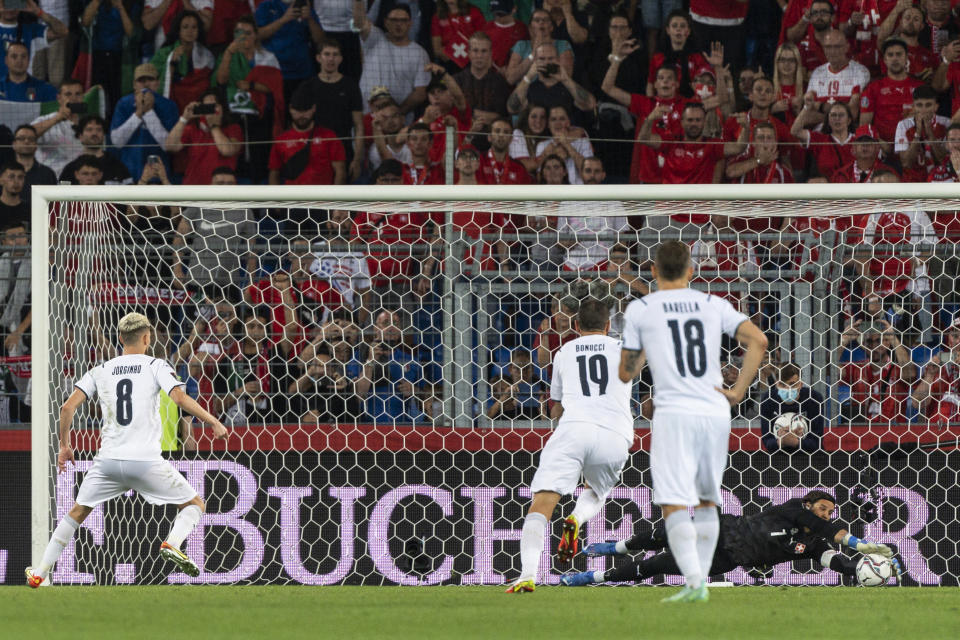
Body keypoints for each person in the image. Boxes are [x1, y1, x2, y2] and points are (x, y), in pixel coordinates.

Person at [25, 312, 228, 588]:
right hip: (145, 461)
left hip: (108, 462)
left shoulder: (101, 369)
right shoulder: (156, 365)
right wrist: (213, 421)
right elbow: (179, 397)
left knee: (77, 512)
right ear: (147, 338)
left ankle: (40, 572)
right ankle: (173, 543)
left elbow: (67, 407)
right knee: (194, 504)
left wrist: (64, 445)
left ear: (120, 338)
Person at [618, 240, 768, 602]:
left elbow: (627, 372)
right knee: (706, 499)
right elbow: (759, 341)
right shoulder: (713, 304)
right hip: (715, 409)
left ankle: (694, 581)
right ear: (691, 271)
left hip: (674, 410)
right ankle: (699, 576)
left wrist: (638, 356)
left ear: (652, 272)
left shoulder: (641, 309)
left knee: (672, 501)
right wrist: (736, 392)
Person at [504, 298, 634, 594]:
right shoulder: (623, 348)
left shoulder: (564, 351)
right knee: (596, 490)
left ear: (575, 326)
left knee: (542, 503)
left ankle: (527, 575)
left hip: (574, 429)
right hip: (615, 433)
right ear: (607, 326)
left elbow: (557, 405)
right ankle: (577, 517)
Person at [560, 490, 900, 587]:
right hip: (726, 528)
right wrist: (858, 543)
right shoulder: (794, 509)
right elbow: (828, 530)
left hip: (728, 558)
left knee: (656, 566)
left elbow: (831, 558)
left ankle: (593, 577)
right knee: (666, 533)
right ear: (810, 505)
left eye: (831, 512)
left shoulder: (815, 543)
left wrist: (854, 567)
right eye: (823, 509)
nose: (827, 516)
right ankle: (612, 547)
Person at [297, 38, 364, 180]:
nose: (331, 59)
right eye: (327, 54)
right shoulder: (307, 86)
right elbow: (298, 122)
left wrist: (357, 160)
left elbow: (359, 126)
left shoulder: (350, 86)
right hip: (315, 150)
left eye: (335, 54)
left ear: (340, 59)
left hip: (343, 149)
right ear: (318, 58)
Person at [354, 1, 430, 116]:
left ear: (410, 23)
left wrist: (396, 114)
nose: (398, 24)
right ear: (386, 22)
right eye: (394, 20)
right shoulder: (374, 38)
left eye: (403, 20)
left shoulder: (420, 53)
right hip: (367, 116)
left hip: (401, 122)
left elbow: (420, 93)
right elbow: (359, 23)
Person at [109, 63, 179, 181]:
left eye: (150, 80)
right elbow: (117, 141)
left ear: (157, 83)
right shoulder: (123, 104)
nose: (146, 84)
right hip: (128, 174)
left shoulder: (168, 106)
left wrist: (149, 112)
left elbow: (168, 145)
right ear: (134, 85)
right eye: (141, 81)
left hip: (158, 176)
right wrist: (139, 113)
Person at [556, 157, 629, 272]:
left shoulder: (614, 201)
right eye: (588, 171)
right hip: (573, 264)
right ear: (581, 173)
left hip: (603, 262)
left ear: (603, 175)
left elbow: (622, 237)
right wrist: (573, 241)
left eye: (597, 171)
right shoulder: (568, 201)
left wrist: (618, 257)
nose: (592, 175)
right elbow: (560, 241)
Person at [267, 90, 346, 186]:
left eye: (305, 110)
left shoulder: (329, 136)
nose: (301, 115)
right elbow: (274, 174)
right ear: (290, 109)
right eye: (297, 110)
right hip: (293, 199)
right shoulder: (280, 141)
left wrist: (334, 198)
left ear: (313, 108)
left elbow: (340, 171)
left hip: (323, 199)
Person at [164, 90, 242, 185]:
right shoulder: (192, 129)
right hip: (194, 186)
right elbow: (170, 146)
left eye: (213, 106)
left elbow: (227, 150)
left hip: (221, 187)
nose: (210, 110)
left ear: (222, 107)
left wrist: (214, 126)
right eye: (206, 107)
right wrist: (184, 119)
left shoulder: (233, 128)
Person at [859, 38, 922, 151]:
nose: (895, 59)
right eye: (890, 55)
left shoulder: (920, 87)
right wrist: (879, 142)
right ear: (884, 60)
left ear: (907, 57)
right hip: (883, 149)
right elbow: (864, 126)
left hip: (914, 148)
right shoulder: (873, 88)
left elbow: (928, 120)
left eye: (899, 54)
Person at [254, 0, 324, 101]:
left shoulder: (304, 5)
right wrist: (284, 19)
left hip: (302, 71)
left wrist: (310, 19)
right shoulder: (266, 5)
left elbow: (320, 40)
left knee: (303, 111)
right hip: (274, 72)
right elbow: (257, 36)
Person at [506, 42, 596, 120]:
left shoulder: (569, 85)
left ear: (558, 60)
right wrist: (528, 77)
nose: (546, 63)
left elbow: (590, 104)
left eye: (550, 58)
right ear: (535, 61)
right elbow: (512, 109)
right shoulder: (529, 87)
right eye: (542, 59)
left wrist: (566, 79)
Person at [149, 10, 216, 113]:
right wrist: (171, 62)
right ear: (178, 30)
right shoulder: (164, 53)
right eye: (185, 27)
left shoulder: (207, 55)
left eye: (194, 27)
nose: (190, 31)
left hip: (198, 103)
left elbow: (210, 82)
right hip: (174, 103)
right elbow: (152, 78)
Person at [759, 362, 825, 452]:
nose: (787, 389)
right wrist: (781, 441)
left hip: (809, 456)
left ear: (800, 384)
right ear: (776, 384)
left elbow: (817, 442)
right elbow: (767, 441)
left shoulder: (814, 399)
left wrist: (796, 442)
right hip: (778, 456)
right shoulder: (768, 399)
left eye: (792, 384)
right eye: (782, 384)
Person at [806, 29, 871, 122]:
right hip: (818, 132)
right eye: (828, 47)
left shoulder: (860, 72)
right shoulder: (817, 73)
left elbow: (852, 114)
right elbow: (807, 114)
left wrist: (821, 106)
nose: (832, 51)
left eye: (837, 47)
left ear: (847, 47)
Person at [895, 85, 951, 183]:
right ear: (914, 106)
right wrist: (918, 133)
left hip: (941, 181)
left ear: (936, 107)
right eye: (919, 105)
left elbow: (944, 161)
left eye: (928, 105)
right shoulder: (903, 125)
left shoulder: (946, 123)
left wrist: (929, 132)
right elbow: (906, 163)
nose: (924, 110)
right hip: (913, 183)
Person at [29, 79, 85, 176]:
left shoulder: (89, 125)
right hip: (51, 179)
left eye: (78, 94)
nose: (73, 98)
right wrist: (58, 118)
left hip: (79, 181)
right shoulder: (45, 120)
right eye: (68, 94)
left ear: (83, 97)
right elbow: (28, 136)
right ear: (59, 98)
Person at [0, 0, 67, 79]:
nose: (9, 8)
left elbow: (62, 31)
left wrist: (38, 12)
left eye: (13, 3)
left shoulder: (30, 30)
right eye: (5, 3)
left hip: (23, 86)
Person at [454, 31, 511, 124]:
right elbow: (453, 114)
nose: (479, 56)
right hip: (461, 133)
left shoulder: (500, 82)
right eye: (475, 51)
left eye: (484, 51)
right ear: (469, 53)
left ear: (490, 53)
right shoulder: (457, 80)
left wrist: (470, 113)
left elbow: (501, 117)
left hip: (491, 135)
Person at [59, 115, 132, 185]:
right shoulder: (70, 169)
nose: (94, 133)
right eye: (89, 129)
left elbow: (131, 194)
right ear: (80, 136)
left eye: (99, 130)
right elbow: (60, 194)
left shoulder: (117, 167)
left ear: (104, 135)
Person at [431, 0, 485, 72]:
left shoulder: (474, 12)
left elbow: (484, 40)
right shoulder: (437, 17)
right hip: (449, 62)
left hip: (473, 60)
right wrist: (453, 56)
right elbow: (437, 49)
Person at [11, 124, 55, 207]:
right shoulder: (4, 172)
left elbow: (53, 204)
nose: (26, 141)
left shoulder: (47, 173)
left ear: (36, 144)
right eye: (21, 138)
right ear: (14, 144)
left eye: (31, 139)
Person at [482, 0, 528, 70]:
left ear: (514, 9)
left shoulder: (522, 29)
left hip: (514, 72)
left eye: (502, 14)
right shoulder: (486, 28)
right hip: (490, 73)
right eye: (496, 13)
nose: (498, 17)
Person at [0, 161, 28, 227]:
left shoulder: (31, 210)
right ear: (1, 180)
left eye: (20, 177)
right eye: (11, 177)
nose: (16, 182)